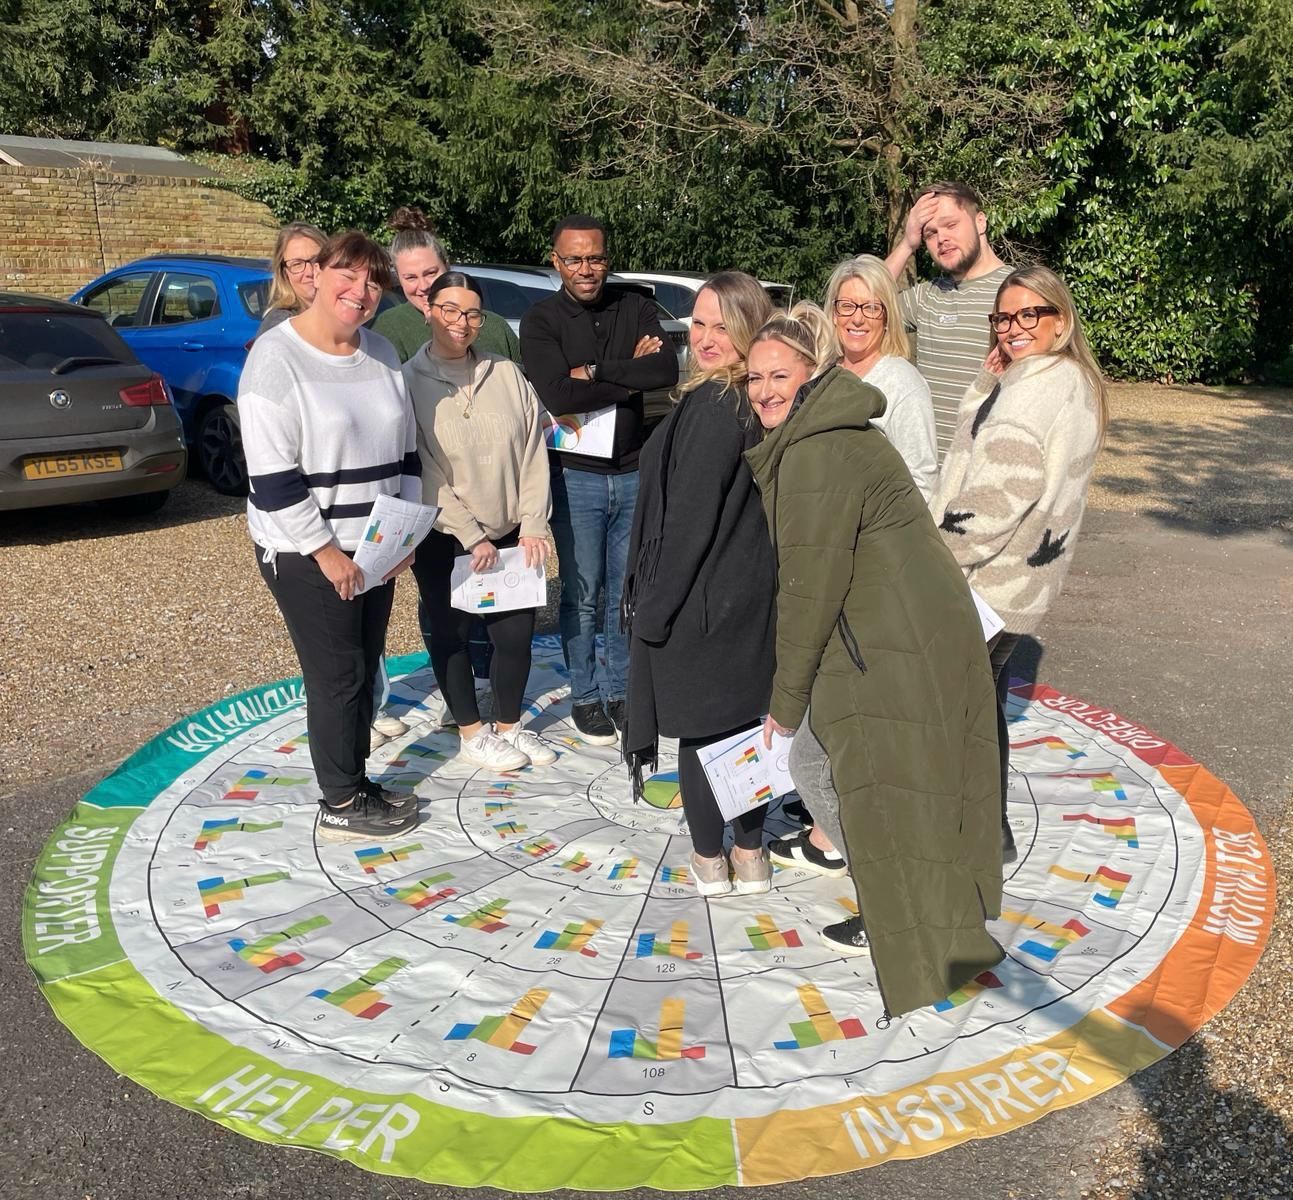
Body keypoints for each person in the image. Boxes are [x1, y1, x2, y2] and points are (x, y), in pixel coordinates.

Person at [743, 303, 1003, 1017]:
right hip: (907, 627)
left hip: (890, 641)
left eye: (778, 376)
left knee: (865, 781)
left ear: (812, 375)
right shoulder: (824, 430)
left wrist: (784, 702)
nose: (764, 390)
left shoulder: (816, 451)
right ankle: (913, 910)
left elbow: (809, 588)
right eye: (753, 378)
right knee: (858, 777)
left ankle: (911, 924)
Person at [238, 230, 420, 841]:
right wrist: (325, 552)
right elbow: (272, 476)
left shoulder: (383, 352)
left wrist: (400, 539)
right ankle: (340, 802)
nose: (361, 291)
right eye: (349, 275)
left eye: (374, 282)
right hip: (306, 551)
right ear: (314, 277)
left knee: (366, 666)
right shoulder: (275, 358)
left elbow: (408, 452)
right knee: (336, 674)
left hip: (373, 549)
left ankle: (355, 777)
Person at [933, 264, 1107, 862]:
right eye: (1004, 316)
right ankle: (990, 832)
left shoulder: (1037, 386)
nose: (1013, 328)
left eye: (1030, 314)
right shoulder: (1068, 378)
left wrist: (933, 557)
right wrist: (985, 388)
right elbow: (982, 445)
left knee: (951, 714)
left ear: (1060, 319)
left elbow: (999, 493)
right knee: (980, 708)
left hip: (988, 578)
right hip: (1022, 582)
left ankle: (964, 839)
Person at [623, 272, 777, 896]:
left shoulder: (718, 406)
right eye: (701, 322)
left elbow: (689, 522)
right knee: (743, 729)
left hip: (703, 601)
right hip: (743, 595)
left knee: (704, 732)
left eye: (724, 326)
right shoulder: (753, 399)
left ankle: (711, 863)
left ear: (750, 333)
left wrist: (653, 611)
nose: (707, 337)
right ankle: (751, 857)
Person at [520, 214, 679, 745]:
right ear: (556, 261)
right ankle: (586, 694)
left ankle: (618, 689)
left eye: (596, 258)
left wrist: (591, 371)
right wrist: (621, 370)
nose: (586, 269)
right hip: (577, 477)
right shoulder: (541, 320)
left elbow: (663, 373)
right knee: (582, 592)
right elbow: (558, 396)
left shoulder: (634, 306)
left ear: (607, 258)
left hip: (632, 470)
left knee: (623, 592)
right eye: (575, 259)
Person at [404, 272, 555, 772]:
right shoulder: (407, 382)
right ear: (428, 310)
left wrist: (533, 521)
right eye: (449, 309)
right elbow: (423, 466)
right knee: (451, 634)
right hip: (446, 537)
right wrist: (470, 536)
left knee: (513, 636)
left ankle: (510, 726)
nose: (461, 323)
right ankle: (471, 732)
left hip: (512, 530)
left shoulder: (507, 374)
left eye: (471, 313)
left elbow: (535, 448)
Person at [884, 181, 1010, 460]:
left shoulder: (1019, 293)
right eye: (930, 233)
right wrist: (906, 244)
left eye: (951, 225)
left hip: (989, 475)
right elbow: (864, 304)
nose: (941, 239)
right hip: (931, 480)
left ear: (980, 222)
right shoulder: (926, 297)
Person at [825, 253, 938, 501]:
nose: (857, 318)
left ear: (887, 317)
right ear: (833, 313)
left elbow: (921, 484)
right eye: (847, 306)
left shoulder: (903, 384)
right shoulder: (821, 374)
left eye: (872, 308)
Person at [372, 206, 520, 363]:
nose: (423, 286)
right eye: (410, 277)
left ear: (447, 266)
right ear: (399, 279)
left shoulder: (495, 328)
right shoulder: (388, 329)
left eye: (430, 273)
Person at [256, 222, 327, 337]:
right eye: (297, 264)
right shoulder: (280, 326)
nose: (310, 272)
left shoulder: (344, 316)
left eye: (316, 260)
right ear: (285, 273)